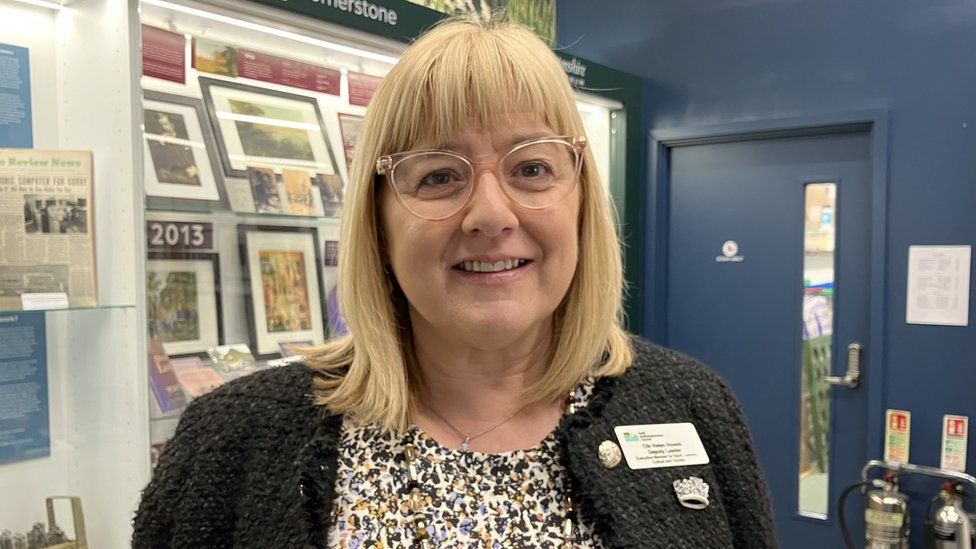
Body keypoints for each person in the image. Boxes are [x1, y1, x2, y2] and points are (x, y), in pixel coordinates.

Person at [133, 17, 777, 549]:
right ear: (378, 221)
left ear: (581, 200)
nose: (492, 215)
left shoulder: (693, 408)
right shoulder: (232, 441)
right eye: (439, 176)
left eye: (531, 168)